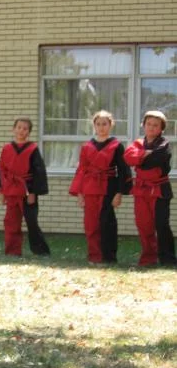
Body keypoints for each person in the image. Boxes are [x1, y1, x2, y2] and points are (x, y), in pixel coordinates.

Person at [69, 110, 133, 263]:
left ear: (110, 125)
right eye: (98, 124)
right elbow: (82, 170)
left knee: (107, 223)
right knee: (90, 223)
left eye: (105, 124)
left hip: (108, 189)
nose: (101, 127)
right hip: (89, 187)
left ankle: (109, 257)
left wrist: (119, 193)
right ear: (94, 126)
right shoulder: (87, 146)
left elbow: (123, 171)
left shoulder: (116, 146)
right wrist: (79, 193)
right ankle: (94, 256)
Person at [123, 110, 176, 266]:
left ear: (161, 128)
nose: (152, 128)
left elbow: (156, 160)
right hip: (141, 190)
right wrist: (144, 154)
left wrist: (139, 158)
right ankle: (148, 258)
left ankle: (168, 259)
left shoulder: (164, 144)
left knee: (161, 224)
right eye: (149, 124)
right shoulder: (137, 143)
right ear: (143, 125)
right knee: (143, 224)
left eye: (156, 125)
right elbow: (127, 158)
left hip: (159, 190)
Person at [0, 117, 50, 257]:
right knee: (11, 222)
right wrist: (3, 192)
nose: (21, 130)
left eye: (25, 128)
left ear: (29, 132)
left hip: (27, 191)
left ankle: (41, 251)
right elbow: (2, 171)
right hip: (11, 190)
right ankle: (12, 251)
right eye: (19, 127)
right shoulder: (7, 148)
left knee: (31, 222)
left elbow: (38, 172)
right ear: (13, 129)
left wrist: (33, 192)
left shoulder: (32, 149)